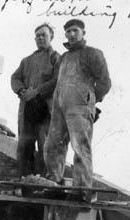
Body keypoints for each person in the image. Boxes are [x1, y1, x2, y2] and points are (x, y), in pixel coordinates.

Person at [43, 19, 111, 200]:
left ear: (83, 33)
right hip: (59, 109)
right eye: (68, 32)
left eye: (75, 30)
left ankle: (82, 191)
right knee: (52, 145)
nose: (71, 34)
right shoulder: (63, 58)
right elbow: (57, 82)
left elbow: (105, 82)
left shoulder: (93, 54)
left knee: (80, 146)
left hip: (80, 107)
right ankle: (53, 185)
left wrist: (90, 101)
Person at [11, 23, 60, 177]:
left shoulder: (56, 58)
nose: (40, 38)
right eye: (37, 35)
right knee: (25, 144)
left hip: (46, 109)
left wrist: (37, 91)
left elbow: (58, 79)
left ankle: (48, 180)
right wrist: (21, 90)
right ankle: (25, 178)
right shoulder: (26, 61)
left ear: (51, 37)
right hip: (27, 109)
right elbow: (15, 78)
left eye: (43, 35)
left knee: (46, 144)